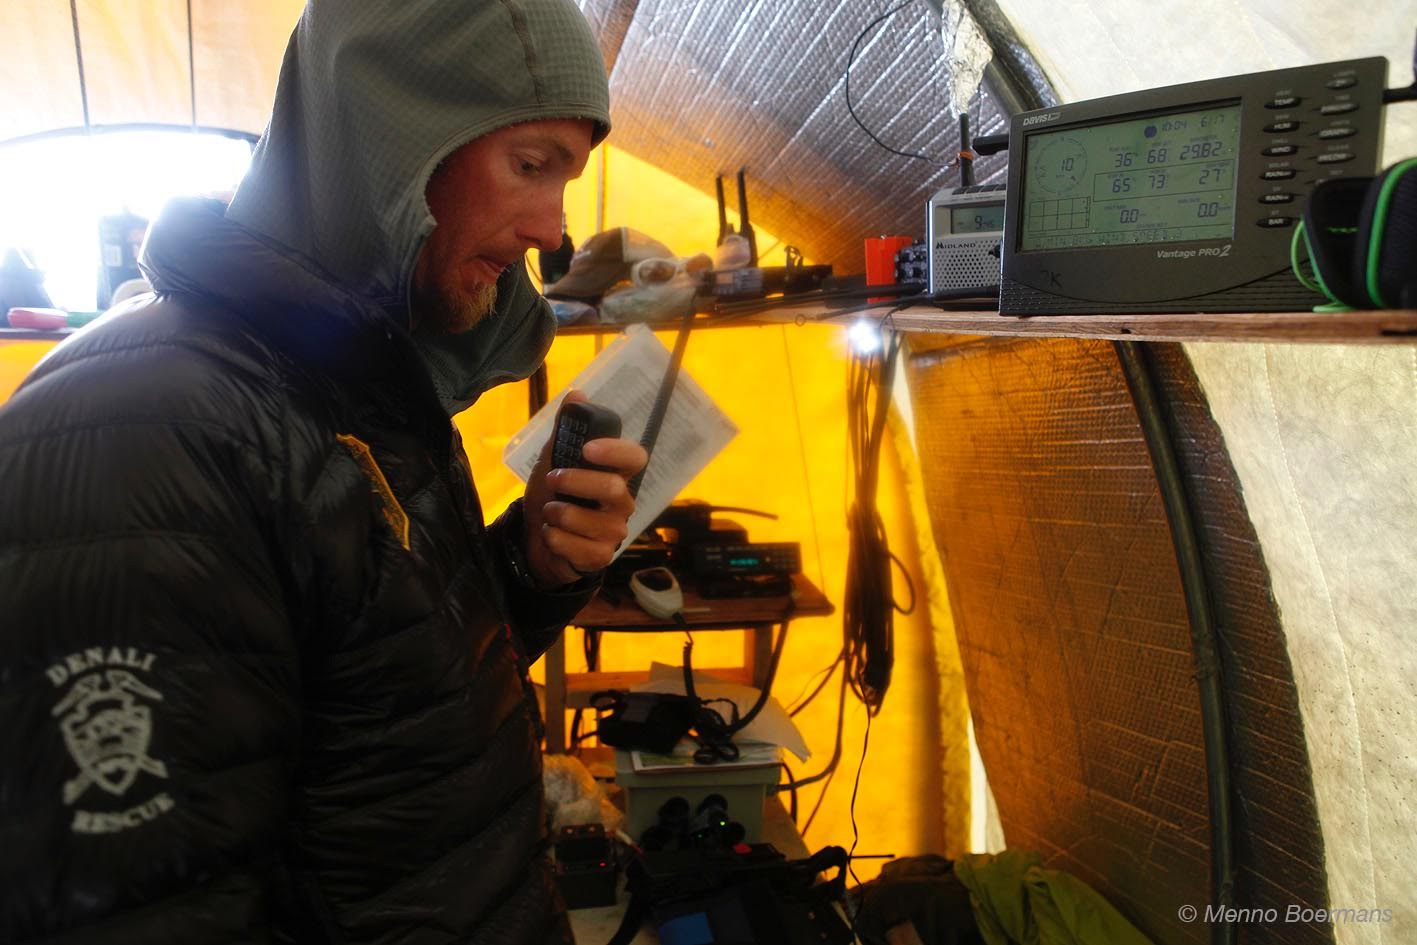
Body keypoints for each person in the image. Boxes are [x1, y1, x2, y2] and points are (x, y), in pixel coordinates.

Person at [0, 1, 646, 943]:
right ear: (393, 136)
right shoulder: (147, 430)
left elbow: (384, 714)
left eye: (566, 179)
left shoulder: (354, 385)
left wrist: (528, 567)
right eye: (529, 164)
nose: (553, 231)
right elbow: (141, 908)